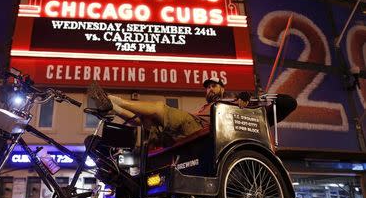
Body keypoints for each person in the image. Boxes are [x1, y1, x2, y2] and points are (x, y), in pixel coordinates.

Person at [87, 78, 296, 149]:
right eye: (207, 88)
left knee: (160, 108)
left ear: (222, 88)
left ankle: (113, 99)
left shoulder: (234, 102)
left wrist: (246, 99)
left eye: (214, 86)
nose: (210, 90)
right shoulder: (203, 108)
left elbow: (285, 103)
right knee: (146, 121)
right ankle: (112, 107)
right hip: (189, 131)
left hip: (205, 132)